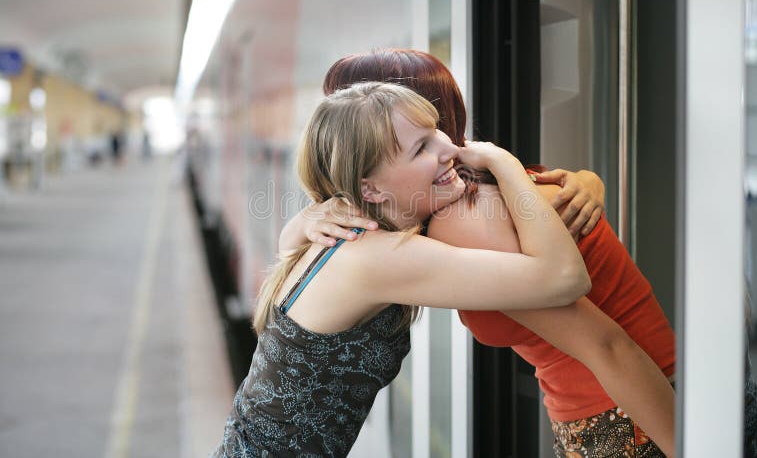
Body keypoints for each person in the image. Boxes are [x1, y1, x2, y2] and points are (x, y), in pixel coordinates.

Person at [281, 48, 676, 457]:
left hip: (628, 417)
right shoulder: (471, 191)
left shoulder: (463, 217)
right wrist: (304, 222)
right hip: (621, 405)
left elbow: (606, 344)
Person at [212, 82, 590, 457]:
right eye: (421, 148)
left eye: (435, 131)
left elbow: (289, 249)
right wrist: (503, 163)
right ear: (371, 190)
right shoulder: (375, 256)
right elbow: (565, 278)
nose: (452, 148)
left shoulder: (342, 236)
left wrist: (586, 183)